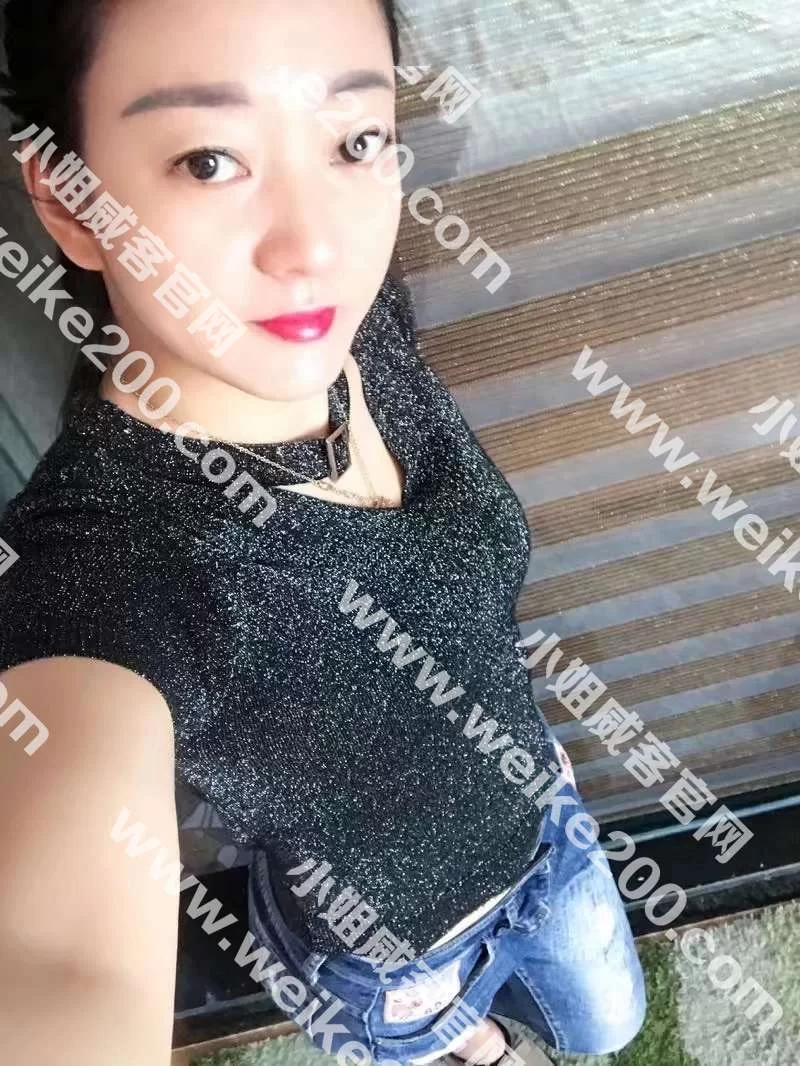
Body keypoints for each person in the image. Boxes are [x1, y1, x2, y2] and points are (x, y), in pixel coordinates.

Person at [0, 1, 646, 1064]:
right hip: (394, 962)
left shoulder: (350, 315)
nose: (314, 246)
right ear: (68, 200)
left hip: (546, 829)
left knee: (609, 1024)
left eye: (354, 141)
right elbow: (64, 968)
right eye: (209, 160)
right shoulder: (112, 574)